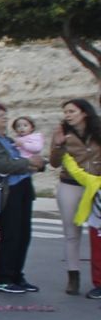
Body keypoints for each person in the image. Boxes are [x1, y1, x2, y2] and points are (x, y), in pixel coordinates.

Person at [0, 102, 44, 294]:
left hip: (23, 187)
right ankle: (1, 277)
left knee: (24, 234)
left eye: (5, 114)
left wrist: (32, 163)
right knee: (10, 234)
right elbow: (3, 164)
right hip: (7, 190)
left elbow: (24, 160)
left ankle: (16, 274)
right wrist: (29, 162)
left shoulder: (9, 139)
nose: (5, 118)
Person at [50, 99, 101, 296]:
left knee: (98, 233)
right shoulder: (63, 133)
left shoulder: (98, 130)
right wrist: (58, 145)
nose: (68, 115)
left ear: (84, 113)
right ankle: (73, 275)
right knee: (72, 232)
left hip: (97, 185)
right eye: (65, 112)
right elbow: (54, 163)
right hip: (71, 184)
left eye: (72, 111)